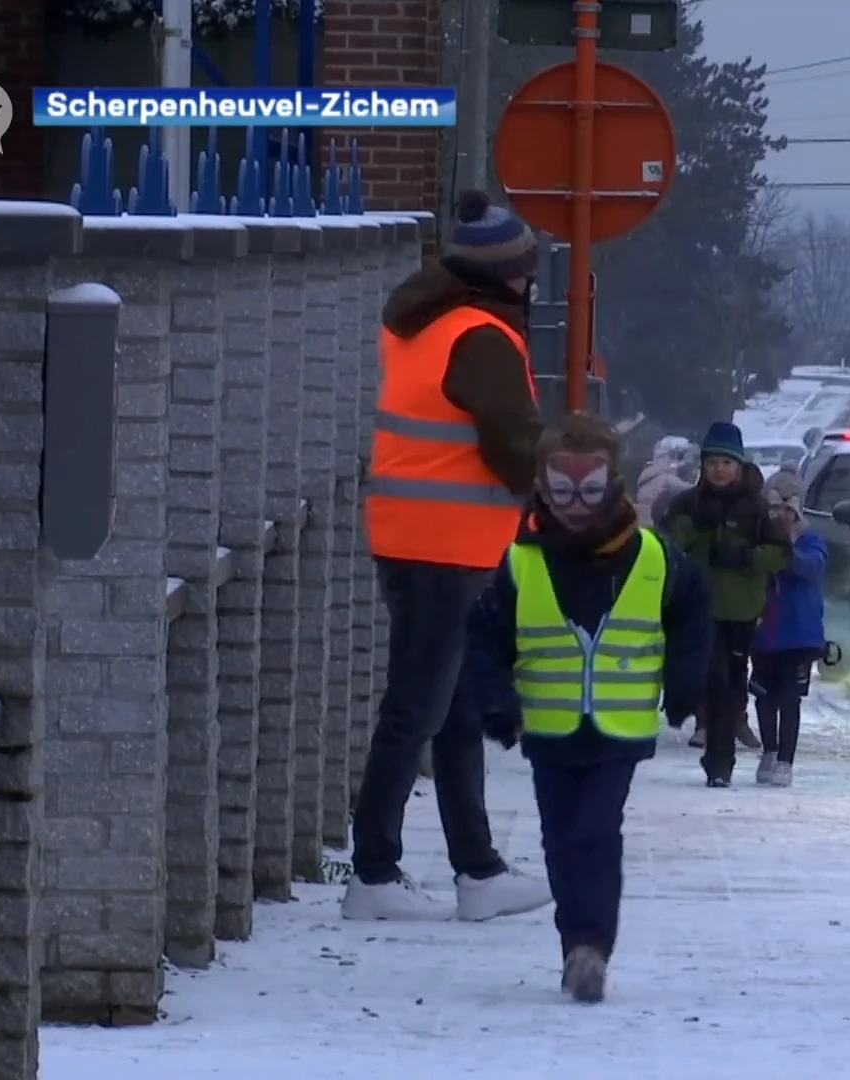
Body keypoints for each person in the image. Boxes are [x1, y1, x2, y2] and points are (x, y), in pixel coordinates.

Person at [342, 189, 555, 923]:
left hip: (418, 534)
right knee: (418, 708)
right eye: (528, 270)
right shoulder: (483, 335)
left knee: (457, 707)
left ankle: (478, 869)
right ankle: (373, 869)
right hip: (449, 545)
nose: (534, 282)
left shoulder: (422, 320)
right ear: (505, 274)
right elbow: (510, 438)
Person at [464, 414, 712, 1002]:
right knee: (559, 839)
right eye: (563, 489)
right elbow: (484, 638)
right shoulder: (521, 563)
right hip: (547, 730)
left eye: (591, 489)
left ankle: (591, 946)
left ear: (616, 484)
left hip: (616, 731)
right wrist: (497, 704)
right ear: (543, 488)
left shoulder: (654, 558)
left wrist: (683, 685)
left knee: (596, 833)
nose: (577, 504)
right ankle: (575, 944)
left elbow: (694, 613)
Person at [663, 421, 792, 786]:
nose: (719, 470)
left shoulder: (756, 508)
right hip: (698, 608)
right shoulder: (688, 504)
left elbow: (782, 553)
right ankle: (715, 756)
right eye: (713, 463)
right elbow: (667, 542)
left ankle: (722, 759)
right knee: (712, 678)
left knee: (732, 684)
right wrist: (694, 529)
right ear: (703, 466)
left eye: (726, 463)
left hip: (741, 610)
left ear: (739, 466)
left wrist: (748, 558)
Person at [751, 477, 827, 786]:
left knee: (789, 698)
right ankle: (769, 750)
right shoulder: (758, 540)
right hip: (764, 634)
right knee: (763, 696)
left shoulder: (809, 541)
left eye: (787, 510)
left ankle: (786, 759)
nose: (781, 516)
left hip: (799, 636)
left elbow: (814, 567)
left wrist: (787, 554)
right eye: (775, 510)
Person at [635, 435, 690, 527]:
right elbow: (692, 491)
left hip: (641, 524)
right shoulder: (667, 480)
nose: (682, 462)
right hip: (654, 526)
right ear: (670, 456)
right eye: (680, 456)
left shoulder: (647, 478)